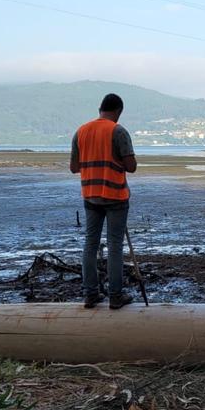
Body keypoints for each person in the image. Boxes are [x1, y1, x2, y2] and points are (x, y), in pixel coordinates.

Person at [70, 93, 138, 309]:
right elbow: (131, 166)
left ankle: (90, 294)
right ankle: (115, 296)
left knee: (90, 244)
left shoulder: (81, 131)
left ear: (100, 108)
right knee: (114, 245)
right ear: (118, 111)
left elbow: (74, 168)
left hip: (90, 195)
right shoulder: (118, 131)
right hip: (115, 195)